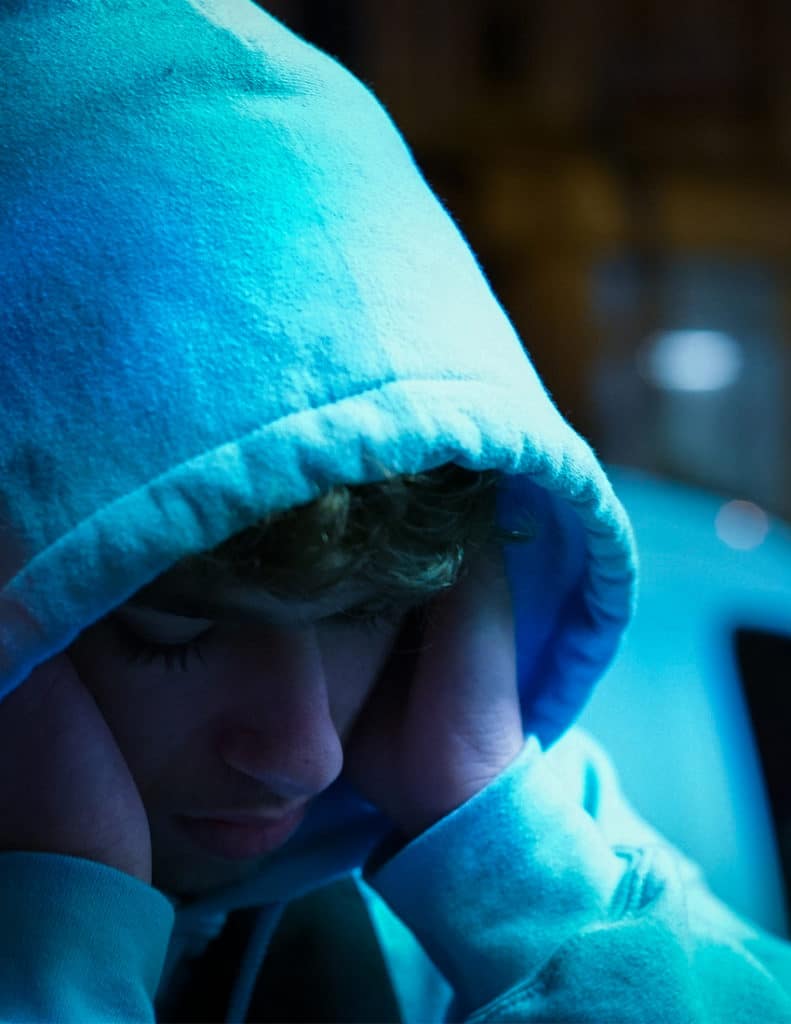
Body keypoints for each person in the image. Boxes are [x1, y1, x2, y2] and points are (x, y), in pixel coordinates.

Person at [1, 1, 790, 1021]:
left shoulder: (510, 814)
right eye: (174, 632)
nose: (308, 754)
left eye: (369, 611)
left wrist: (504, 862)